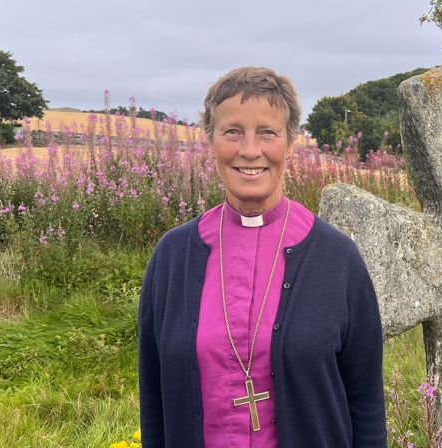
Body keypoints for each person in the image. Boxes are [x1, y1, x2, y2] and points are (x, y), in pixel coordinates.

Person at [138, 66, 386, 447]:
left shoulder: (337, 259)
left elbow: (366, 402)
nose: (250, 150)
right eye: (232, 131)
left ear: (290, 144)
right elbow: (154, 405)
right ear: (211, 141)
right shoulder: (172, 258)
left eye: (267, 132)